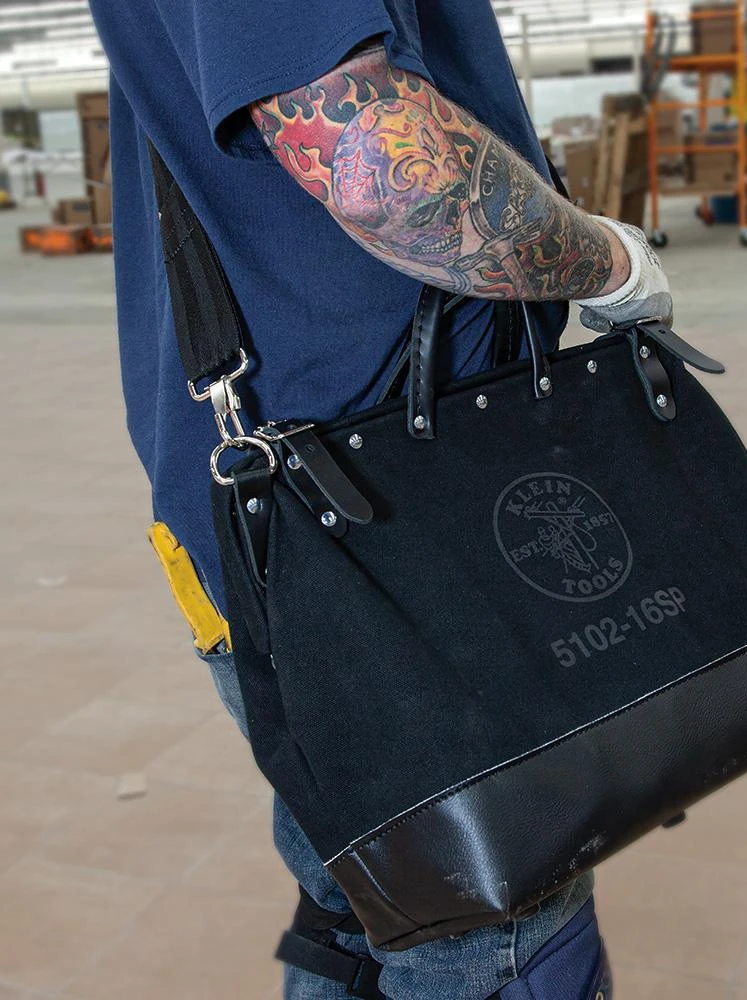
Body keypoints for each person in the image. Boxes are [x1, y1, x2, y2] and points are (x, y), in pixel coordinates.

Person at [88, 2, 672, 997]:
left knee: (365, 906)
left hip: (290, 519)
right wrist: (611, 263)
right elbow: (378, 165)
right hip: (383, 532)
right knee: (495, 931)